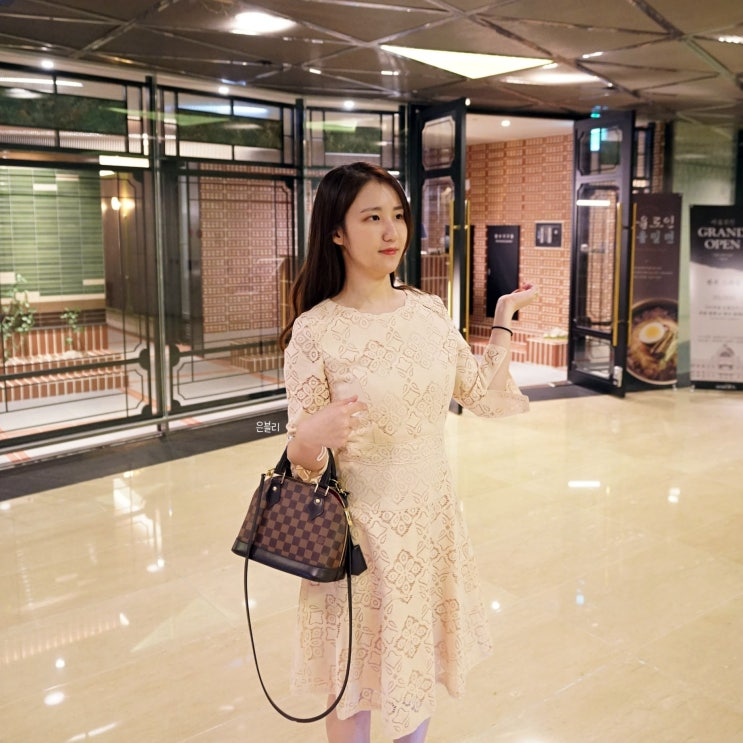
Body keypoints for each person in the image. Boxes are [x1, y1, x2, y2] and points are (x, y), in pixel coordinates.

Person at [280, 162, 537, 743]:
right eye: (372, 217)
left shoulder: (428, 311)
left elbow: (480, 394)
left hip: (430, 523)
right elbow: (302, 461)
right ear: (337, 232)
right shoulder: (315, 331)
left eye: (397, 215)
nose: (391, 230)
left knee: (413, 665)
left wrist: (501, 320)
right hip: (360, 534)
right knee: (352, 676)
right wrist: (313, 433)